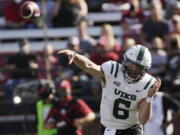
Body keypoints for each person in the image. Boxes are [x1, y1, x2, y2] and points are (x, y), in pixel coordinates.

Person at [58, 44, 161, 135]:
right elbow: (89, 66)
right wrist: (75, 56)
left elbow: (143, 120)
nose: (133, 69)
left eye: (138, 67)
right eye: (131, 64)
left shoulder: (147, 84)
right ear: (125, 60)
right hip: (109, 127)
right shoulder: (113, 70)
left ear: (145, 70)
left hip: (131, 129)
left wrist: (149, 97)